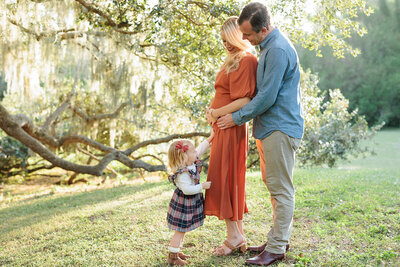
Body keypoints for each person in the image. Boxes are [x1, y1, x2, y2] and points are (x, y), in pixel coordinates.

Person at [216, 2, 304, 266]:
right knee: (274, 186)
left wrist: (234, 117)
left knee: (281, 189)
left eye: (248, 34)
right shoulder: (268, 47)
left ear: (263, 29)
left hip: (280, 127)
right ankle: (278, 238)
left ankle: (276, 248)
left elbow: (266, 98)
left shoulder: (276, 50)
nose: (243, 39)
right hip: (270, 128)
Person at [203, 16, 257, 256]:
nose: (225, 44)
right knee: (225, 176)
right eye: (223, 40)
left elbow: (245, 99)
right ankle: (239, 235)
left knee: (226, 178)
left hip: (231, 126)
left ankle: (233, 235)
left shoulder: (246, 60)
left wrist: (215, 112)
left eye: (229, 39)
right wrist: (212, 116)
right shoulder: (231, 60)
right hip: (222, 126)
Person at [166, 133, 214, 266]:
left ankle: (176, 251)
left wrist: (210, 138)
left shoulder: (190, 161)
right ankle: (173, 257)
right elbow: (187, 190)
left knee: (183, 230)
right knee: (180, 230)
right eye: (192, 151)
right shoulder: (182, 174)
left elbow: (200, 149)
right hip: (183, 205)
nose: (196, 153)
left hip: (189, 204)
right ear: (184, 157)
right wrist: (202, 186)